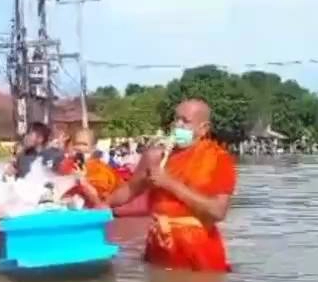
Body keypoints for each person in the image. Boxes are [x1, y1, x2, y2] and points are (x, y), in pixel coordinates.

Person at [108, 99, 237, 271]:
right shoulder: (156, 157)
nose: (178, 125)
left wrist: (169, 183)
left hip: (197, 253)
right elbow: (130, 190)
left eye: (185, 121)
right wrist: (100, 204)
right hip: (159, 247)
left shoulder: (218, 158)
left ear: (203, 128)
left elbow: (217, 211)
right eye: (176, 119)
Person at [57, 127, 121, 208]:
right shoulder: (68, 165)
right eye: (76, 144)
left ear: (93, 148)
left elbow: (99, 203)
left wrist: (82, 181)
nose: (79, 147)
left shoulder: (99, 170)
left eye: (84, 144)